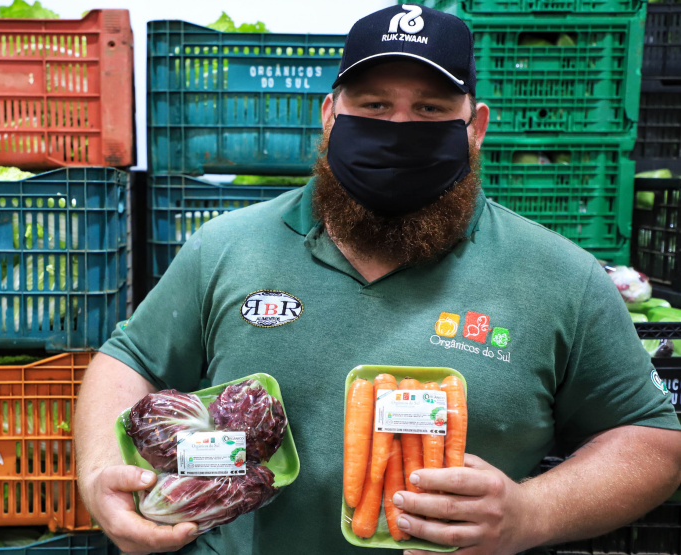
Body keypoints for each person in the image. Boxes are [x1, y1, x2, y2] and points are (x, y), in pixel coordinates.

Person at [75, 5, 681, 554]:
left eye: (430, 109)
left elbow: (653, 439)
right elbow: (129, 360)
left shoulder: (560, 275)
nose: (399, 126)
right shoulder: (226, 247)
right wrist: (102, 469)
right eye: (372, 106)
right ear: (329, 116)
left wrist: (531, 512)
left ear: (476, 127)